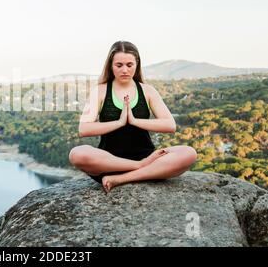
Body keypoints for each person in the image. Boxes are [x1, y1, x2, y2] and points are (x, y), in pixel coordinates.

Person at [69, 41, 197, 194]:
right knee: (77, 154)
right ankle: (139, 167)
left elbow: (170, 125)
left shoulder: (147, 90)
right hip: (110, 162)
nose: (125, 70)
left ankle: (122, 179)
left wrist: (134, 121)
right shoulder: (100, 91)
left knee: (188, 153)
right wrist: (119, 122)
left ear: (137, 64)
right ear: (110, 65)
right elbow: (84, 128)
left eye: (129, 65)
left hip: (147, 156)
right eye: (119, 65)